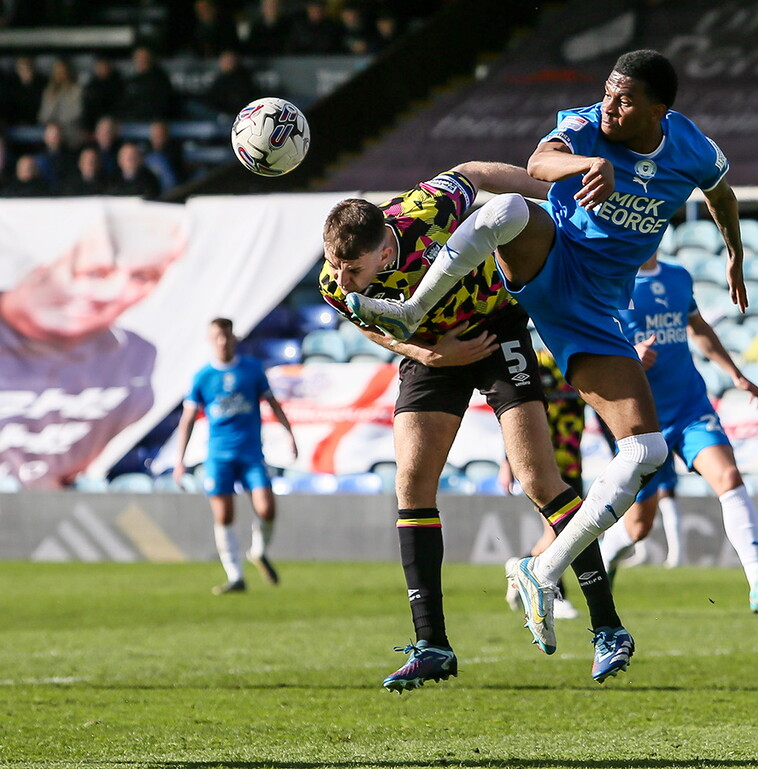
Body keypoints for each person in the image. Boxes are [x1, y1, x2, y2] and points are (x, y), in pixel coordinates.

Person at [347, 49, 747, 654]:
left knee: (646, 449)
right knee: (508, 210)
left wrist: (734, 251)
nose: (611, 104)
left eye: (626, 99)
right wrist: (587, 163)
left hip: (592, 312)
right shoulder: (585, 126)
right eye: (609, 91)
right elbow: (539, 161)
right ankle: (412, 307)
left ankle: (542, 569)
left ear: (660, 110)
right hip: (549, 255)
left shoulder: (692, 147)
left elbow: (723, 195)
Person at [320, 161, 633, 691]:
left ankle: (608, 627)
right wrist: (426, 352)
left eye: (353, 270)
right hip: (434, 350)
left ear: (383, 249)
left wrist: (558, 196)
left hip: (496, 330)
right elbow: (372, 323)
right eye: (336, 267)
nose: (342, 280)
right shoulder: (335, 278)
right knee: (412, 484)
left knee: (539, 481)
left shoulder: (427, 209)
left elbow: (475, 171)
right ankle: (432, 645)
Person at [597, 252, 758, 613]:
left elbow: (698, 327)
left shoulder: (677, 277)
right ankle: (606, 560)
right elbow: (593, 342)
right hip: (640, 416)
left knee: (729, 476)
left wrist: (735, 374)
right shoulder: (610, 279)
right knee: (639, 527)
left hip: (689, 406)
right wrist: (630, 355)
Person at [0, 212, 184, 487]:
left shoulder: (137, 356)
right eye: (97, 272)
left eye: (142, 276)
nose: (113, 292)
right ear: (44, 264)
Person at [173, 317, 299, 595]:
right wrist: (179, 460)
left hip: (252, 453)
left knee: (266, 508)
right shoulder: (203, 377)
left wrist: (290, 434)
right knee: (224, 515)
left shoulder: (252, 370)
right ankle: (235, 576)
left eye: (227, 336)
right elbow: (188, 420)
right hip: (218, 457)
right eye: (217, 336)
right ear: (210, 340)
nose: (223, 341)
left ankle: (258, 552)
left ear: (234, 338)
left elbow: (274, 404)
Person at [501, 342, 588, 621]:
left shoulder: (579, 361)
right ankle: (555, 594)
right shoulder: (534, 362)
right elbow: (515, 412)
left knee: (569, 530)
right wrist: (507, 461)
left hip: (572, 457)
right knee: (560, 529)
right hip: (540, 459)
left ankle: (524, 566)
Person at [37, 57, 84, 148]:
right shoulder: (49, 91)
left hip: (71, 129)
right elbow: (43, 116)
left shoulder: (76, 90)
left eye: (62, 71)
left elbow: (76, 113)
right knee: (52, 132)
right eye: (57, 71)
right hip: (53, 130)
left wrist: (60, 125)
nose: (60, 74)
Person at [81, 56, 125, 133]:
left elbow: (120, 107)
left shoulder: (118, 84)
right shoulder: (91, 85)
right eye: (100, 66)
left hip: (112, 124)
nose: (103, 69)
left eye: (105, 66)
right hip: (93, 125)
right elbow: (87, 109)